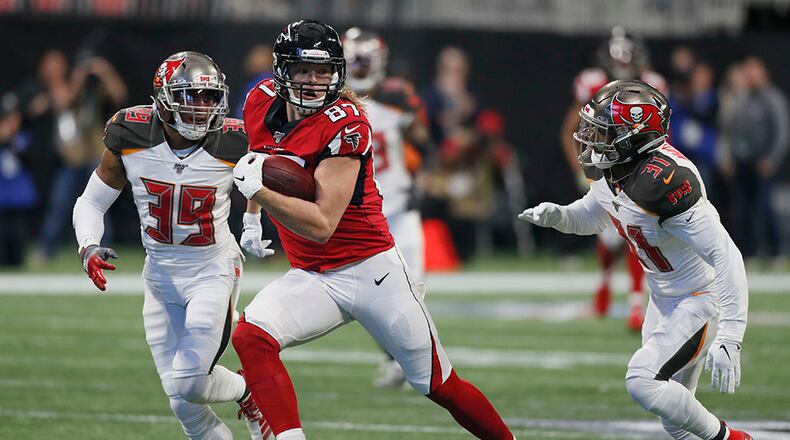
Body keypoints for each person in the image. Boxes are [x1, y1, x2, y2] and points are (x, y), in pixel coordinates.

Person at [231, 19, 515, 440]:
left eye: (323, 71)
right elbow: (260, 160)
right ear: (282, 70)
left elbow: (323, 224)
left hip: (370, 271)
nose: (313, 81)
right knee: (251, 337)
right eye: (304, 70)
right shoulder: (260, 101)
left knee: (438, 385)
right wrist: (251, 214)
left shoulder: (346, 122)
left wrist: (262, 196)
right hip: (312, 275)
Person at [520, 80, 751, 440]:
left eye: (604, 131)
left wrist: (731, 334)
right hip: (662, 299)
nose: (591, 137)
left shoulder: (665, 182)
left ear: (633, 136)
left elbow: (726, 254)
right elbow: (596, 214)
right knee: (675, 419)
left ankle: (734, 439)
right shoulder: (613, 168)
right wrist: (561, 217)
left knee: (643, 380)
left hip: (698, 299)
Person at [71, 51, 271, 440]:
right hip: (160, 276)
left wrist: (251, 220)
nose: (202, 107)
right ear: (164, 97)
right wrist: (88, 246)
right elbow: (92, 201)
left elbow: (258, 175)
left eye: (210, 97)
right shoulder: (129, 132)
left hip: (211, 270)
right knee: (183, 404)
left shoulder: (234, 139)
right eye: (191, 96)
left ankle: (249, 392)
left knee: (190, 383)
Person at [559, 26, 666, 331]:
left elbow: (661, 133)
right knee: (610, 238)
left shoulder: (653, 84)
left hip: (640, 164)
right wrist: (583, 170)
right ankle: (605, 284)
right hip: (606, 167)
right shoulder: (592, 83)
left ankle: (635, 304)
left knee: (638, 233)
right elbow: (572, 129)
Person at [342, 26, 431, 388]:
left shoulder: (397, 97)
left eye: (367, 62)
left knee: (414, 288)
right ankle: (395, 359)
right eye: (356, 62)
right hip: (365, 214)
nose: (361, 69)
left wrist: (419, 177)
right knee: (375, 296)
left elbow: (422, 142)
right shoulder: (337, 102)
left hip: (400, 206)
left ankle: (417, 363)